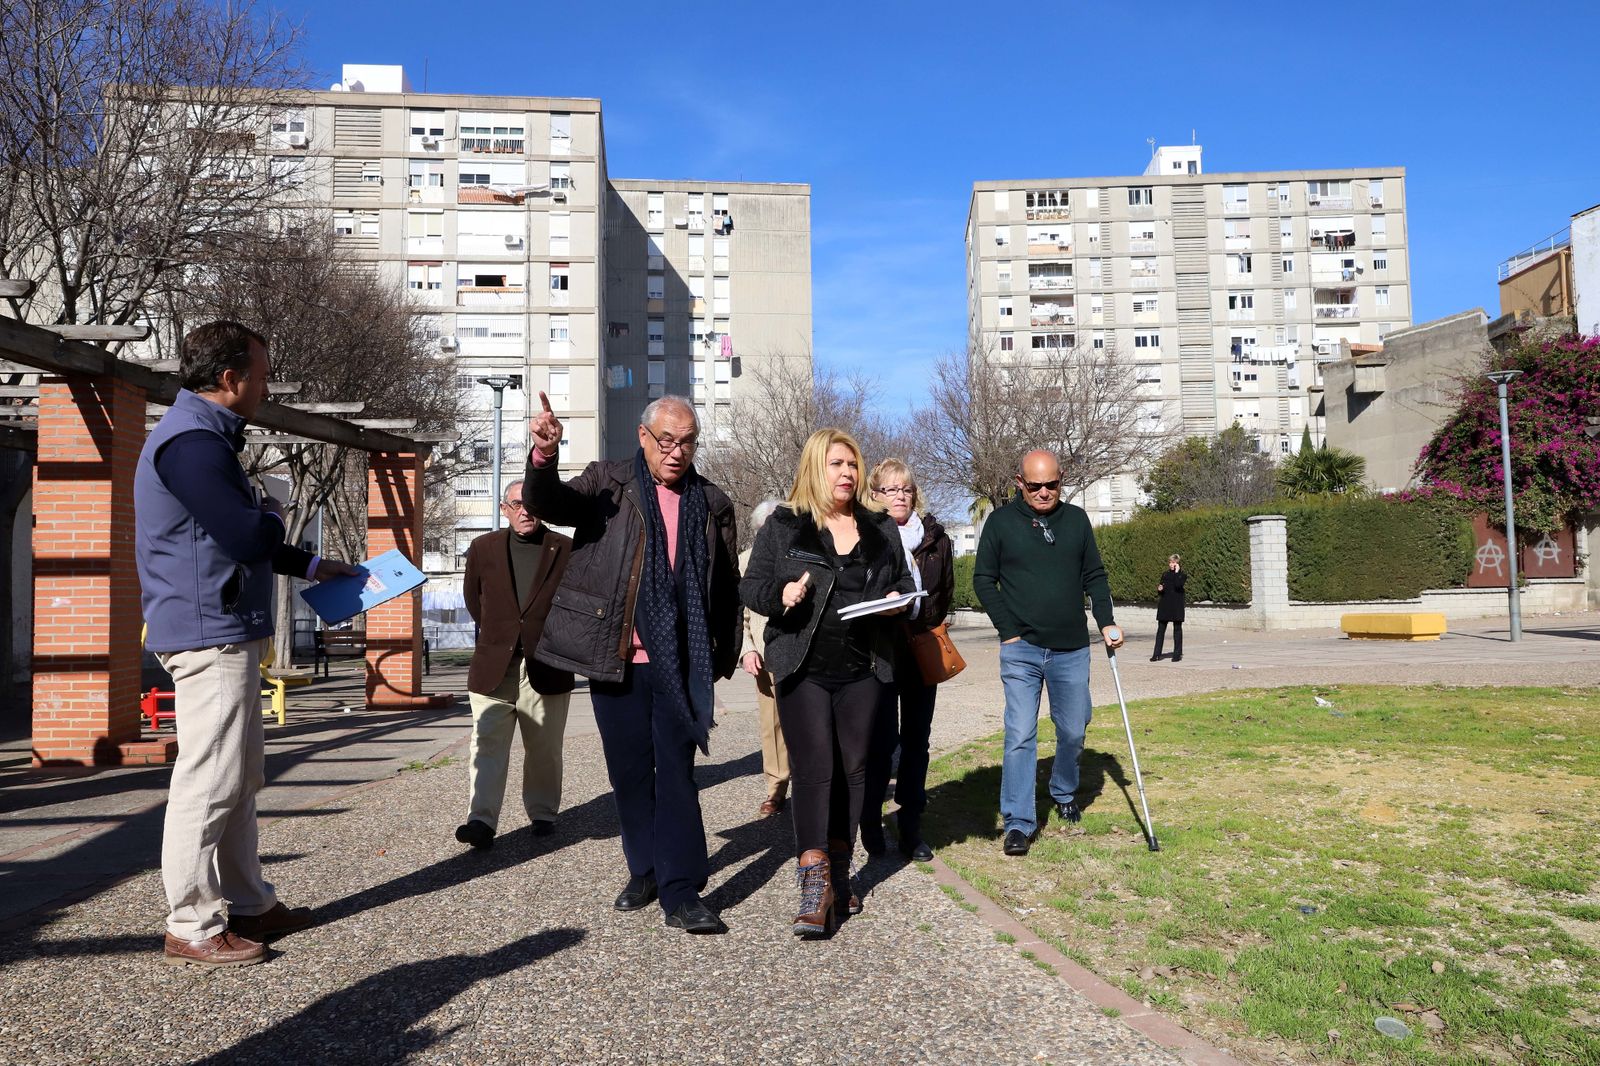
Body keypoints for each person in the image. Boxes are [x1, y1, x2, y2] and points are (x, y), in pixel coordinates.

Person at [135, 320, 360, 967]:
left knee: (238, 777)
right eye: (259, 376)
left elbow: (239, 539)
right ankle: (192, 924)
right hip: (209, 635)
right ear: (229, 380)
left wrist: (316, 566)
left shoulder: (205, 439)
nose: (265, 386)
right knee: (208, 781)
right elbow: (244, 536)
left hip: (225, 630)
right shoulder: (191, 445)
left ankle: (250, 903)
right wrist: (274, 512)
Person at [523, 392, 741, 934]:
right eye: (666, 440)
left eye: (687, 441)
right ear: (643, 437)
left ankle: (682, 888)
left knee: (676, 775)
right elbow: (548, 504)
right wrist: (544, 457)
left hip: (679, 662)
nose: (676, 451)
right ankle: (643, 868)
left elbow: (725, 587)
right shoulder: (607, 484)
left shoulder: (711, 502)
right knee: (628, 774)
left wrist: (726, 651)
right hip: (615, 658)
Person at [741, 429, 913, 937]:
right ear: (816, 467)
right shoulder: (784, 524)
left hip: (865, 668)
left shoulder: (880, 526)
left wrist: (900, 600)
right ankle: (814, 884)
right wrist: (782, 593)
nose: (847, 474)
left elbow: (903, 581)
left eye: (853, 465)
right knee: (816, 770)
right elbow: (750, 586)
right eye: (837, 463)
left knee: (855, 771)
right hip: (804, 667)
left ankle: (840, 869)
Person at [973, 450, 1123, 858]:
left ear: (1062, 479)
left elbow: (1094, 574)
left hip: (1071, 648)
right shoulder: (1001, 523)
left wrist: (1106, 620)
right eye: (1034, 485)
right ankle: (1019, 822)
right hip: (1021, 651)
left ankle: (1063, 789)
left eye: (1051, 485)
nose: (1043, 492)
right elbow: (983, 579)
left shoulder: (1076, 520)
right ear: (1019, 482)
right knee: (1020, 733)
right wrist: (1008, 631)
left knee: (1074, 729)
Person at [455, 480, 574, 850]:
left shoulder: (565, 548)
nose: (526, 511)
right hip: (494, 664)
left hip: (547, 662)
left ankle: (542, 813)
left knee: (544, 746)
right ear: (504, 508)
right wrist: (501, 635)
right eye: (517, 504)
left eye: (533, 504)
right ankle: (481, 821)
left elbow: (573, 603)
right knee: (487, 743)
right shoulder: (483, 548)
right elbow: (474, 600)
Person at [860, 458, 954, 863]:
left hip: (919, 652)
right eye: (890, 489)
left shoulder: (936, 538)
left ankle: (911, 827)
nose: (900, 496)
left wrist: (924, 617)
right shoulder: (866, 534)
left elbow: (945, 591)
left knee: (917, 742)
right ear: (875, 494)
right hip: (878, 652)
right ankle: (869, 822)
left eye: (906, 489)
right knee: (877, 743)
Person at [738, 499, 790, 817]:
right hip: (764, 654)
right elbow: (740, 615)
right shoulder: (745, 562)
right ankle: (776, 788)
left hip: (800, 652)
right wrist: (747, 650)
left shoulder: (802, 557)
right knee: (771, 725)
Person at [1152, 554, 1187, 663]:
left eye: (1174, 563)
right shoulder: (1165, 574)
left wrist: (1177, 572)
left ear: (1178, 563)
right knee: (1160, 630)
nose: (1171, 564)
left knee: (1177, 630)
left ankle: (1177, 655)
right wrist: (1160, 588)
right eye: (1170, 562)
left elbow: (1178, 585)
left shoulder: (1182, 575)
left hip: (1176, 606)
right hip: (1165, 605)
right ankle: (1156, 654)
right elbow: (1161, 588)